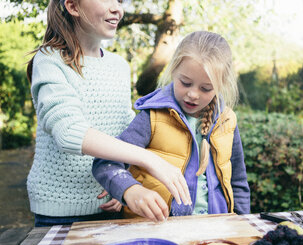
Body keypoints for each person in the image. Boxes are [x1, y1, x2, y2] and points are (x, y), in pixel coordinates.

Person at [26, 0, 191, 227]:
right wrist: (150, 159)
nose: (117, 9)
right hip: (61, 215)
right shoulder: (49, 59)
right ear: (73, 7)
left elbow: (126, 133)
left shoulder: (119, 65)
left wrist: (122, 184)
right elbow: (68, 131)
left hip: (114, 207)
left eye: (120, 1)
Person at [93, 31, 251, 217]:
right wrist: (127, 189)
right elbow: (106, 163)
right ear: (174, 71)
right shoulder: (152, 116)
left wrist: (243, 222)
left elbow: (238, 182)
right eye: (185, 83)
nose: (193, 94)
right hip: (157, 229)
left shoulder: (227, 121)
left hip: (215, 229)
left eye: (205, 88)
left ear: (221, 84)